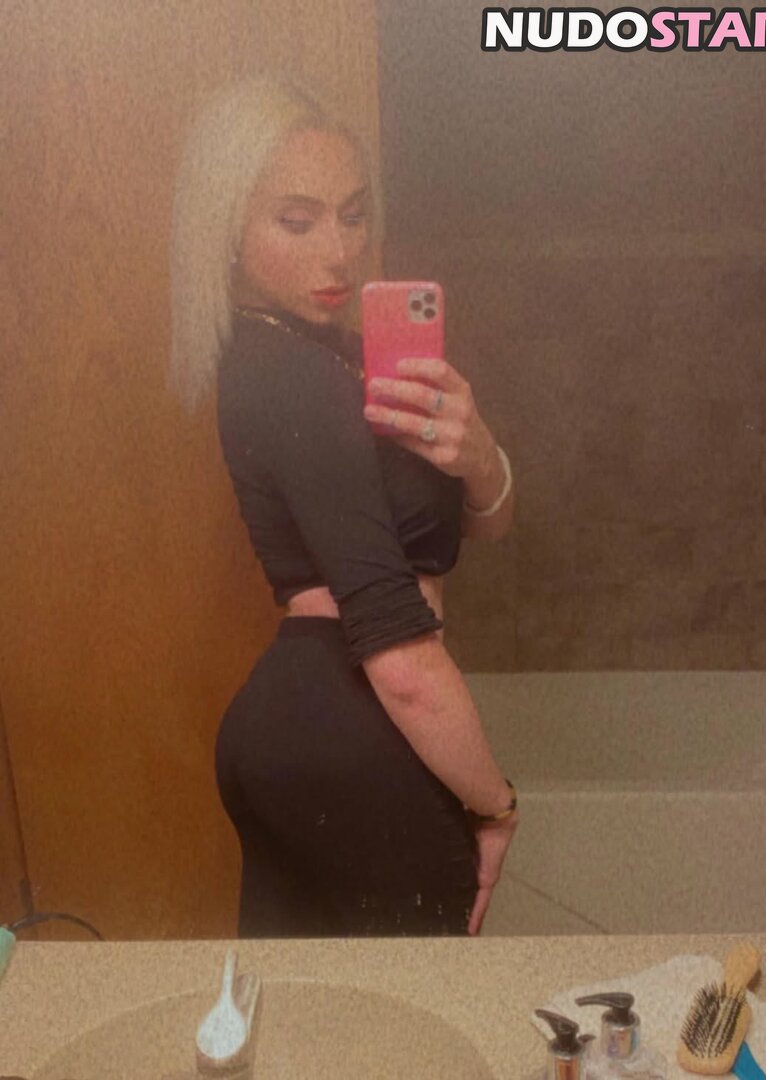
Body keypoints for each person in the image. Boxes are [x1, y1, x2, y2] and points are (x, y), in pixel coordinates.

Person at [169, 71, 518, 938]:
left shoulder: (334, 358)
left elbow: (482, 528)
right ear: (228, 232)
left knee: (306, 1002)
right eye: (297, 221)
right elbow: (399, 656)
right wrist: (496, 805)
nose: (339, 251)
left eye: (353, 215)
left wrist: (479, 456)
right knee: (415, 1008)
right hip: (351, 719)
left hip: (302, 724)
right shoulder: (293, 377)